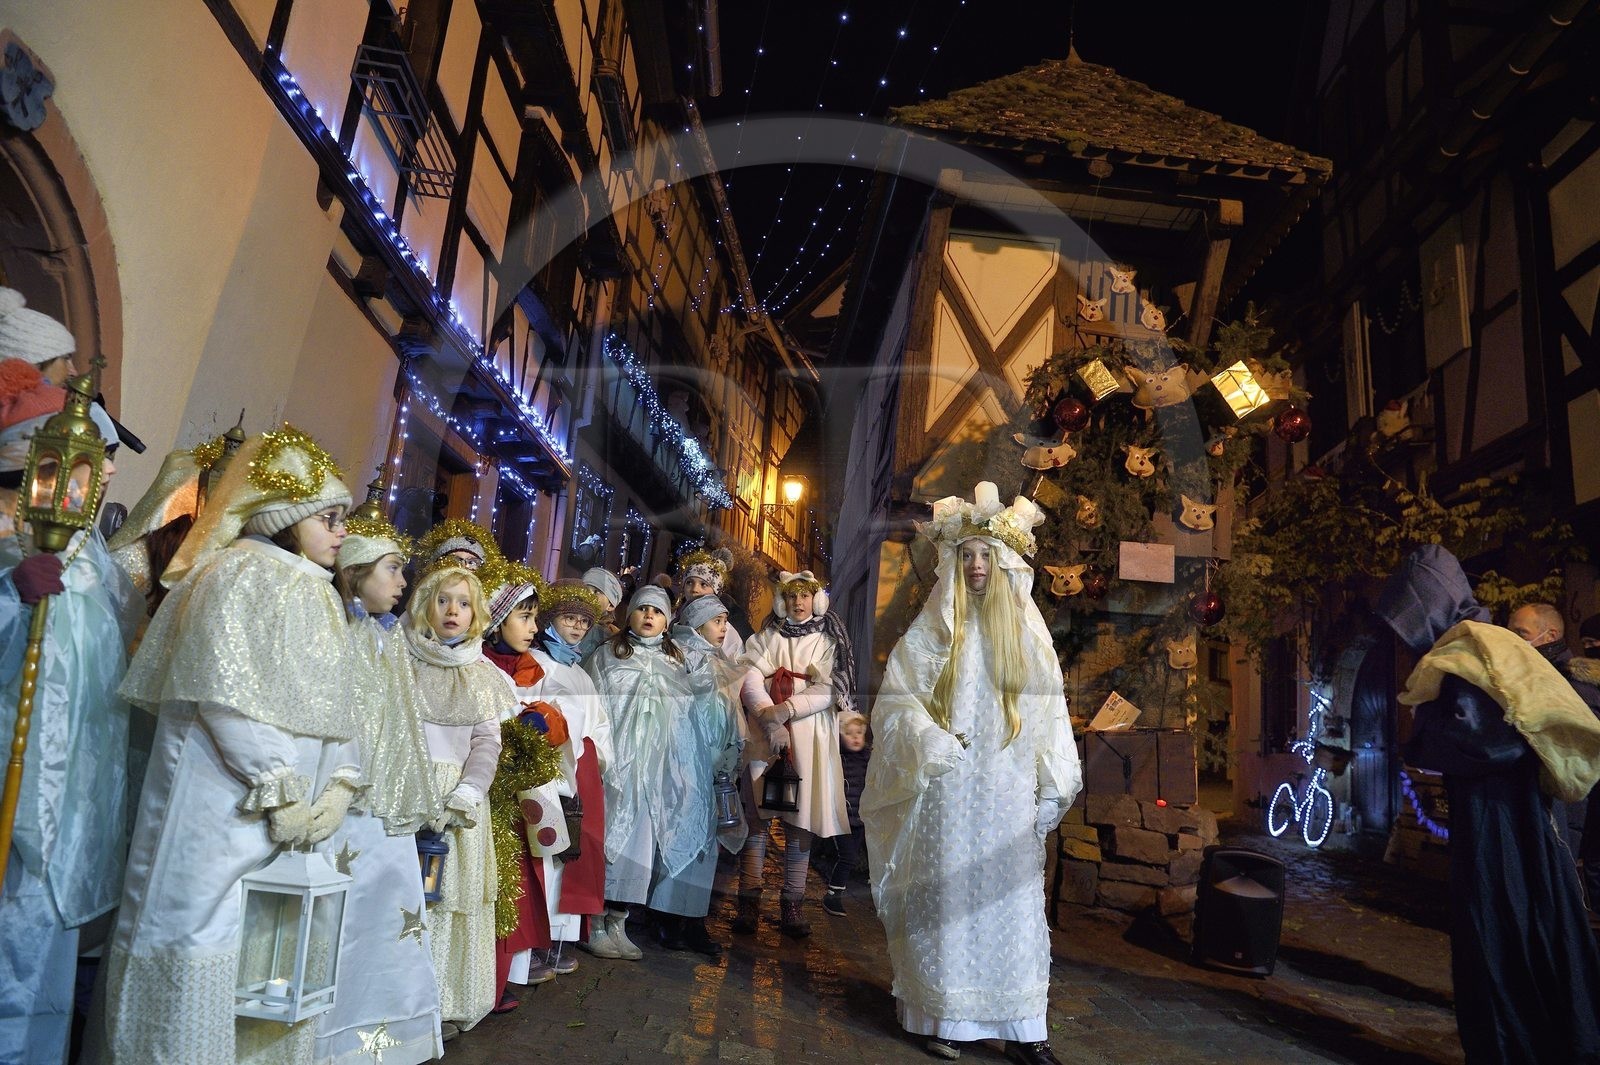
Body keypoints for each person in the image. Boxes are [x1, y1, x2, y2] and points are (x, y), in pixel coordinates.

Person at [103, 426, 363, 1064]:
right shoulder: (239, 572)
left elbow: (337, 702)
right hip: (222, 803)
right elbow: (223, 690)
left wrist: (337, 782)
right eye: (328, 518)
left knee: (270, 956)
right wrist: (277, 785)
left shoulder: (314, 589)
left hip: (290, 814)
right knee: (197, 935)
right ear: (285, 519)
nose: (339, 533)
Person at [859, 482, 1079, 1065]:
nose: (978, 566)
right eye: (968, 556)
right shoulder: (935, 628)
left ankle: (1027, 1029)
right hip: (950, 793)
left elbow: (1051, 712)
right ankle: (947, 1017)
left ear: (1003, 561)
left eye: (987, 555)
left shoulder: (1028, 636)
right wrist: (928, 737)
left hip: (1006, 791)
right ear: (954, 561)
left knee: (1011, 903)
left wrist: (1052, 785)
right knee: (951, 896)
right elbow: (899, 699)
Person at [1377, 545, 1600, 1063]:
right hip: (1497, 816)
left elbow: (1495, 740)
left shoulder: (1478, 647)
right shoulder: (1476, 645)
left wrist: (1426, 736)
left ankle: (1522, 1048)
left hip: (1506, 821)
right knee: (1508, 930)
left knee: (1506, 931)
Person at [0, 367, 141, 1065]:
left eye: (107, 458)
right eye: (97, 455)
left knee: (43, 963)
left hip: (66, 802)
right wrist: (9, 593)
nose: (108, 470)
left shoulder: (92, 555)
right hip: (9, 783)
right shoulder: (9, 533)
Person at [318, 516, 442, 1065]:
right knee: (336, 923)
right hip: (339, 806)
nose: (401, 583)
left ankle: (376, 1042)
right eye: (392, 569)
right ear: (357, 569)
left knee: (382, 920)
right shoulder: (335, 631)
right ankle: (328, 1038)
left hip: (380, 805)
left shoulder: (382, 637)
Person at [404, 562, 512, 1040]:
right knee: (404, 901)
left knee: (449, 902)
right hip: (405, 791)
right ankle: (399, 998)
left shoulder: (482, 673)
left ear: (477, 614)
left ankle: (444, 1001)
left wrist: (468, 792)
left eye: (464, 603)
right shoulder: (401, 658)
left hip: (457, 804)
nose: (453, 611)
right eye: (444, 600)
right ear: (427, 604)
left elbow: (487, 742)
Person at [736, 569, 857, 938]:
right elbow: (750, 677)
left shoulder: (828, 639)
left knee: (799, 821)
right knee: (758, 817)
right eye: (791, 597)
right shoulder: (767, 636)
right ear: (783, 601)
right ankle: (749, 900)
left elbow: (827, 689)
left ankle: (792, 901)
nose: (798, 603)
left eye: (804, 596)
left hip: (808, 734)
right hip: (764, 731)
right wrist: (767, 719)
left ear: (815, 599)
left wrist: (786, 711)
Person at [584, 585, 699, 960]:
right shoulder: (607, 656)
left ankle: (620, 918)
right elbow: (594, 707)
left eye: (658, 611)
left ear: (667, 622)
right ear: (628, 614)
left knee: (640, 843)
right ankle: (593, 920)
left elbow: (684, 715)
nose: (649, 616)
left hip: (654, 768)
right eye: (642, 609)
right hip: (617, 765)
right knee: (607, 837)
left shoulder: (673, 662)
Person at [480, 563, 560, 1005]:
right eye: (524, 617)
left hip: (519, 789)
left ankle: (506, 972)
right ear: (497, 619)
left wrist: (546, 721)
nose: (533, 628)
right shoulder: (481, 666)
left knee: (519, 883)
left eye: (535, 618)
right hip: (489, 787)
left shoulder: (533, 668)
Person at [527, 579, 613, 964]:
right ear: (549, 620)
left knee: (572, 854)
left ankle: (559, 938)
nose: (577, 627)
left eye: (583, 621)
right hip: (547, 773)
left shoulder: (580, 672)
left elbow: (599, 723)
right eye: (569, 618)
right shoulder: (535, 663)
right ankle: (534, 941)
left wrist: (595, 760)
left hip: (581, 774)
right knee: (544, 852)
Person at [665, 594, 749, 956]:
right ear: (698, 623)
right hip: (686, 764)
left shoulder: (721, 662)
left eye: (726, 620)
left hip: (714, 766)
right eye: (717, 621)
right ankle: (666, 918)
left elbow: (728, 710)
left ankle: (694, 918)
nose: (724, 628)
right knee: (679, 838)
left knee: (706, 847)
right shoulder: (679, 657)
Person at [1508, 602, 1600, 908]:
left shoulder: (1569, 685)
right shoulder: (1535, 676)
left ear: (1550, 635)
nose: (1512, 640)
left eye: (1521, 633)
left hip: (1564, 809)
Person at [823, 711, 871, 918]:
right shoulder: (837, 758)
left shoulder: (868, 757)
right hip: (842, 818)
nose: (855, 737)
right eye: (849, 733)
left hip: (860, 818)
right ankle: (833, 895)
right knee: (847, 857)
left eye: (859, 732)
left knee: (852, 857)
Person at [675, 547, 743, 657]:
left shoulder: (725, 631)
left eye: (704, 584)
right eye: (689, 582)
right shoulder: (672, 618)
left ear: (716, 591)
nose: (694, 589)